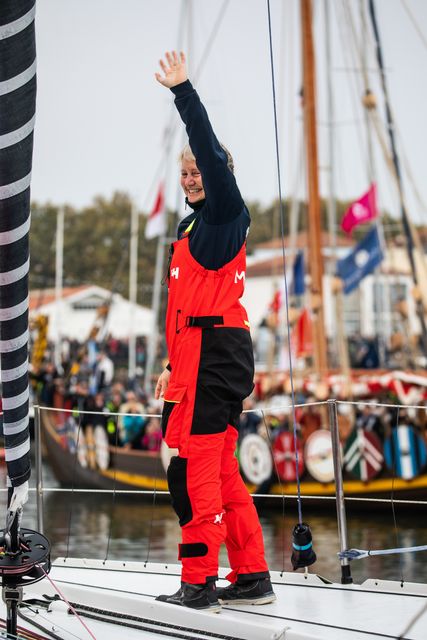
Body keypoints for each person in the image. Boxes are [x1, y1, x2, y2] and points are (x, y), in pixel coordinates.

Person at [154, 51, 275, 612]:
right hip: (198, 357)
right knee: (223, 471)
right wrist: (169, 364)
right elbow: (182, 309)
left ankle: (198, 582)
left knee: (194, 473)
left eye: (198, 170)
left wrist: (184, 92)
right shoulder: (188, 227)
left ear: (220, 175)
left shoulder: (225, 214)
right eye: (184, 172)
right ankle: (251, 574)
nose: (190, 177)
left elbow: (206, 147)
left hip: (215, 356)